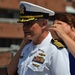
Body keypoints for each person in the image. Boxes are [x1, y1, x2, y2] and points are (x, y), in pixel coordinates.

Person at [7, 1, 71, 75]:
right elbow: (10, 72)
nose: (25, 27)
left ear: (43, 24)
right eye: (24, 24)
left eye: (29, 24)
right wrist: (22, 46)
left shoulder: (55, 50)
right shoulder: (26, 47)